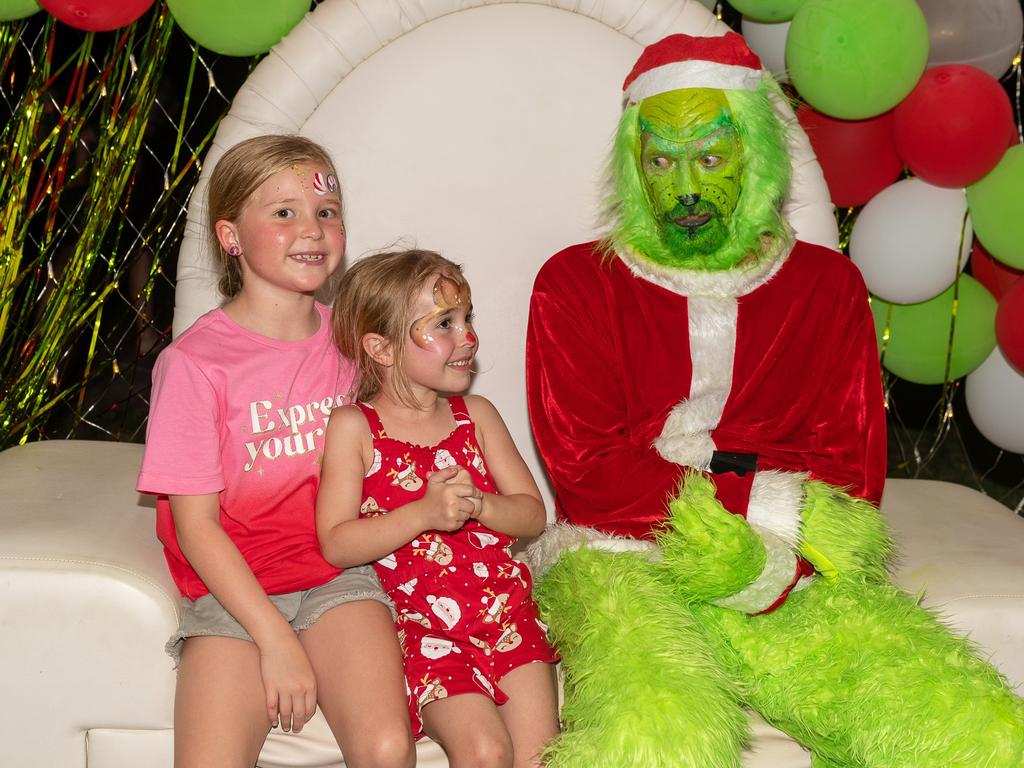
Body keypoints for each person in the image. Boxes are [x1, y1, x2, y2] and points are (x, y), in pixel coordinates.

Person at [524, 32, 1024, 767]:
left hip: (796, 555)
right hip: (619, 551)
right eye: (660, 161)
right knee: (657, 740)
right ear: (632, 167)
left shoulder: (826, 287)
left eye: (711, 158)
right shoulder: (575, 283)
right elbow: (589, 471)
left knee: (967, 731)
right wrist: (755, 505)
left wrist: (768, 544)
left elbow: (849, 472)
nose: (685, 189)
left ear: (755, 155)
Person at [137, 135, 414, 768]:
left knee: (388, 748)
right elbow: (196, 526)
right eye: (283, 212)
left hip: (338, 576)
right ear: (231, 237)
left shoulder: (356, 343)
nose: (311, 229)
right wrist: (274, 640)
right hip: (230, 592)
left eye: (326, 209)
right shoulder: (192, 364)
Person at [317, 249, 560, 768]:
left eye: (467, 318)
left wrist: (482, 505)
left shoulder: (477, 415)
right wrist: (423, 514)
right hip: (425, 633)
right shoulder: (355, 427)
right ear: (380, 348)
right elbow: (337, 542)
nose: (467, 336)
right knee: (485, 750)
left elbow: (532, 515)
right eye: (444, 324)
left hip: (506, 614)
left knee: (541, 755)